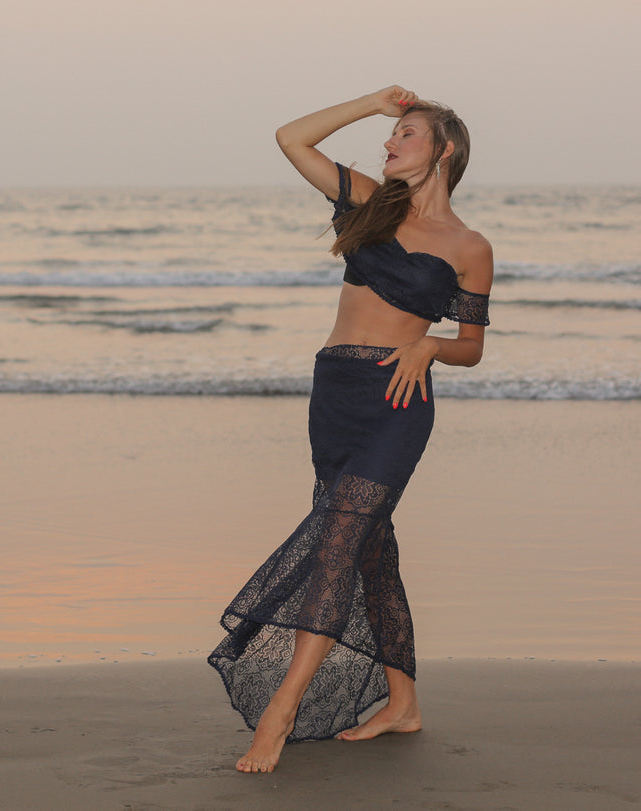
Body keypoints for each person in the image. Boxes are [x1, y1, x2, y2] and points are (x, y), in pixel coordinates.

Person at [208, 86, 494, 773]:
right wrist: (371, 103)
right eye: (389, 135)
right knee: (369, 550)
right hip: (334, 390)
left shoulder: (469, 246)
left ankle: (280, 713)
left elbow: (471, 345)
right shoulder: (370, 202)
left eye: (406, 136)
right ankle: (402, 703)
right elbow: (290, 137)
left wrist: (429, 347)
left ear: (443, 151)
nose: (390, 144)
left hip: (398, 402)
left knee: (337, 543)